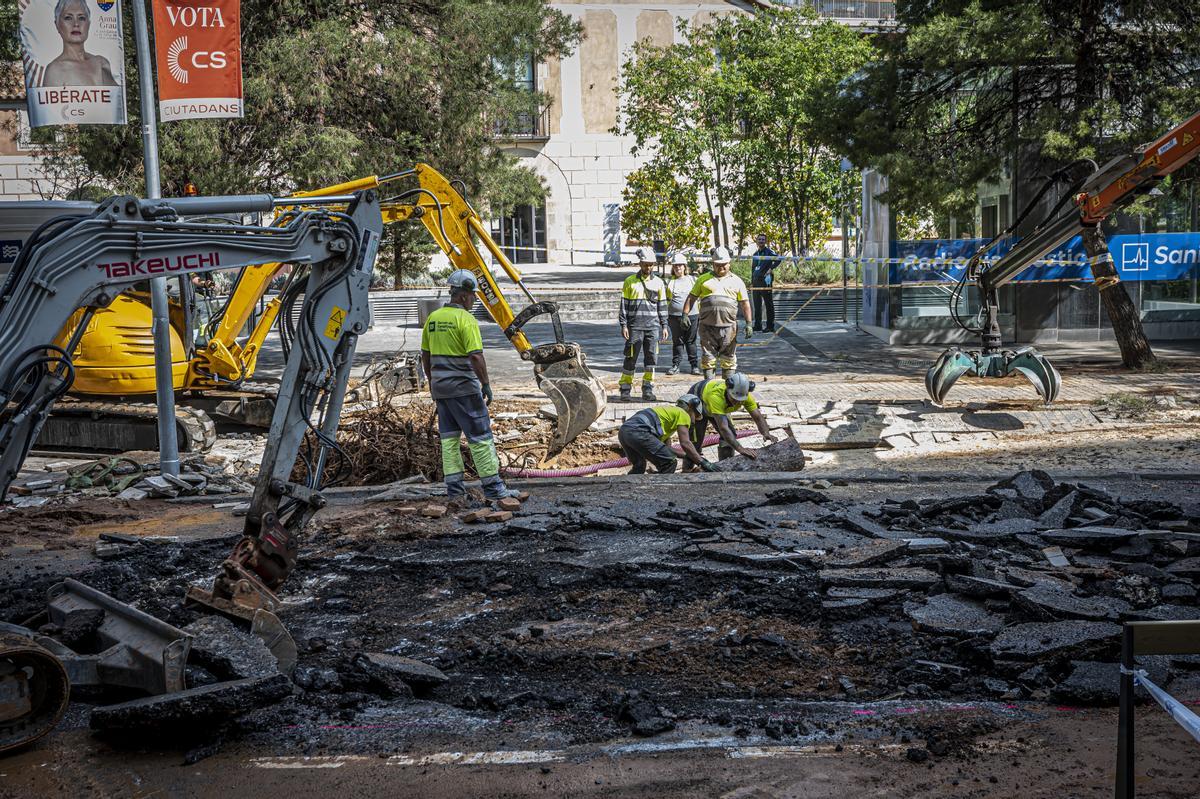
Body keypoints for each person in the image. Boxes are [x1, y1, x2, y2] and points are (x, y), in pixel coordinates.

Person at [420, 269, 521, 502]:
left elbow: (425, 355)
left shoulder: (433, 319)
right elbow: (476, 356)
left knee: (449, 439)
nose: (474, 300)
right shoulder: (466, 319)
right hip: (464, 389)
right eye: (474, 296)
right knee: (480, 436)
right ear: (464, 295)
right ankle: (494, 489)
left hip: (442, 390)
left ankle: (455, 490)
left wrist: (433, 381)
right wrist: (485, 384)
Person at [682, 246, 752, 379]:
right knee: (708, 359)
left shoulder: (737, 281)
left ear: (729, 263)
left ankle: (727, 391)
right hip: (707, 328)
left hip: (729, 329)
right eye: (717, 265)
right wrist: (685, 314)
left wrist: (749, 323)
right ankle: (709, 388)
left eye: (723, 264)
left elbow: (745, 303)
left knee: (728, 359)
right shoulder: (703, 279)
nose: (721, 267)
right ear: (713, 264)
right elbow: (692, 297)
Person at [687, 372, 776, 462]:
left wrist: (766, 433)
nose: (737, 402)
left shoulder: (746, 396)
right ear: (728, 390)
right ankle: (687, 471)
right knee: (695, 441)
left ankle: (725, 465)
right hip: (696, 401)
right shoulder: (716, 396)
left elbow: (758, 417)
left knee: (731, 435)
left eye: (740, 400)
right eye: (734, 399)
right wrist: (740, 449)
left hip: (714, 407)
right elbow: (723, 428)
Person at [618, 394, 715, 475]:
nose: (694, 420)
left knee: (639, 466)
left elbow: (667, 449)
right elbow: (685, 443)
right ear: (690, 408)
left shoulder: (668, 415)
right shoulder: (683, 414)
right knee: (669, 462)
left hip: (624, 432)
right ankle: (660, 489)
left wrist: (688, 456)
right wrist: (703, 462)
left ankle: (626, 487)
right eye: (696, 415)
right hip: (639, 431)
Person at [618, 247, 668, 401]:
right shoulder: (630, 282)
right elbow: (624, 305)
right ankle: (625, 389)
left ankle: (648, 389)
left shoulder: (659, 283)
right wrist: (624, 325)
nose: (648, 267)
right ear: (640, 263)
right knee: (630, 358)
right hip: (634, 327)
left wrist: (664, 325)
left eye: (651, 265)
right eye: (646, 264)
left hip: (652, 327)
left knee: (651, 359)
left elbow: (662, 305)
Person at [41, 0, 118, 88]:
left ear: (88, 24)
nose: (76, 24)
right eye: (68, 18)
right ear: (57, 25)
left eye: (81, 18)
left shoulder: (101, 63)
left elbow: (117, 99)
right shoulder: (54, 70)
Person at [664, 252, 700, 376]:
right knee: (677, 341)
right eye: (675, 266)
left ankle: (694, 365)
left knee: (691, 341)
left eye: (680, 265)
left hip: (693, 315)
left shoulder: (693, 280)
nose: (678, 268)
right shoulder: (670, 282)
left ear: (685, 266)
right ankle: (675, 365)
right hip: (674, 317)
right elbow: (667, 300)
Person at [750, 234, 781, 333]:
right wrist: (752, 282)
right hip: (756, 282)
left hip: (765, 282)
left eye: (763, 239)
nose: (761, 241)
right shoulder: (755, 254)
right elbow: (752, 269)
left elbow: (779, 259)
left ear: (766, 241)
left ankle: (770, 326)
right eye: (759, 239)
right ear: (756, 241)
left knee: (768, 304)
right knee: (757, 305)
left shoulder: (769, 252)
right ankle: (758, 325)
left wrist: (770, 269)